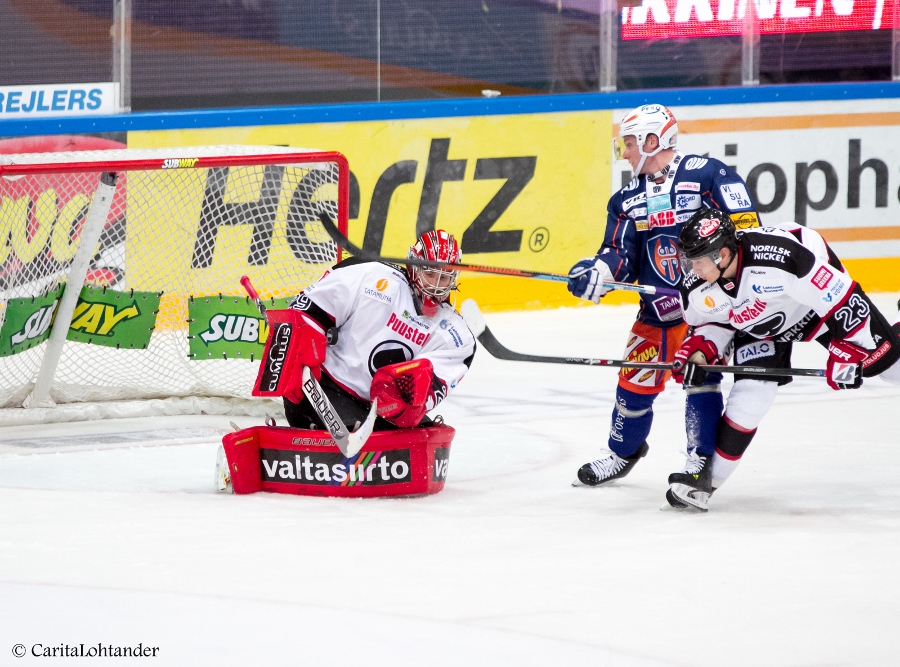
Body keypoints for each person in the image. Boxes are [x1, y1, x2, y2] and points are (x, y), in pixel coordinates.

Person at [568, 103, 761, 490]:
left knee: (700, 381)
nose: (624, 152)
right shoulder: (625, 199)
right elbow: (621, 254)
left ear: (653, 140)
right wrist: (600, 272)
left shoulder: (709, 174)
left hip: (708, 313)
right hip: (656, 314)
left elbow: (748, 232)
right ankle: (623, 452)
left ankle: (699, 459)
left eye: (630, 143)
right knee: (632, 386)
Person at [671, 208, 900, 510]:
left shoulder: (782, 259)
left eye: (696, 261)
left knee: (888, 367)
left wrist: (850, 350)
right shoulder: (697, 286)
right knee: (752, 396)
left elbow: (839, 295)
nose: (692, 269)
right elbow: (714, 320)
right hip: (761, 327)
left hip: (813, 309)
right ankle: (705, 485)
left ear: (722, 254)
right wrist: (701, 350)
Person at [281, 229, 476, 432]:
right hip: (324, 388)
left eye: (443, 278)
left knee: (425, 436)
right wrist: (298, 351)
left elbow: (425, 393)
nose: (435, 286)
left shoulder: (456, 337)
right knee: (355, 432)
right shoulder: (371, 277)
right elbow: (305, 309)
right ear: (414, 266)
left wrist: (404, 405)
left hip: (378, 411)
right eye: (429, 274)